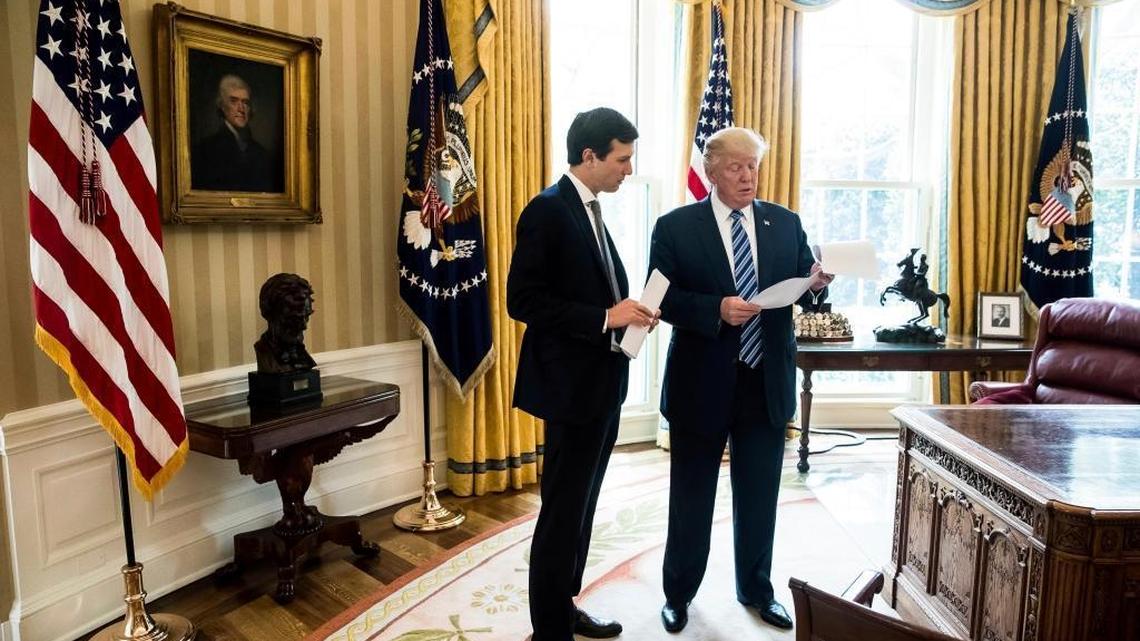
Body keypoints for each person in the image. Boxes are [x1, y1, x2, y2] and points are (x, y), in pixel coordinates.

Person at [648, 127, 833, 633]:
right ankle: (678, 594)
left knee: (759, 496)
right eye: (735, 166)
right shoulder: (676, 227)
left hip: (764, 381)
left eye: (753, 165)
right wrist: (715, 309)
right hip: (700, 383)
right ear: (711, 170)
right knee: (692, 497)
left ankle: (756, 590)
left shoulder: (785, 223)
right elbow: (658, 300)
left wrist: (817, 283)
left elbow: (802, 288)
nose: (748, 175)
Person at [507, 107, 658, 641]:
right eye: (621, 158)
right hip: (568, 390)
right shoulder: (548, 210)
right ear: (589, 156)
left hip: (600, 386)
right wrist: (604, 317)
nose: (628, 169)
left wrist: (629, 312)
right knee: (561, 514)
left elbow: (590, 291)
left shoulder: (590, 209)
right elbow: (520, 300)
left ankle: (563, 605)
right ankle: (550, 630)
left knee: (584, 506)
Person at [191, 73, 280, 192]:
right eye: (234, 101)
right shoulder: (205, 150)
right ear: (222, 106)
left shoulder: (261, 153)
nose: (241, 108)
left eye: (245, 102)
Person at [254, 272, 316, 373]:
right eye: (293, 320)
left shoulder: (303, 358)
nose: (304, 327)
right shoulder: (264, 354)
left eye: (306, 317)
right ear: (270, 315)